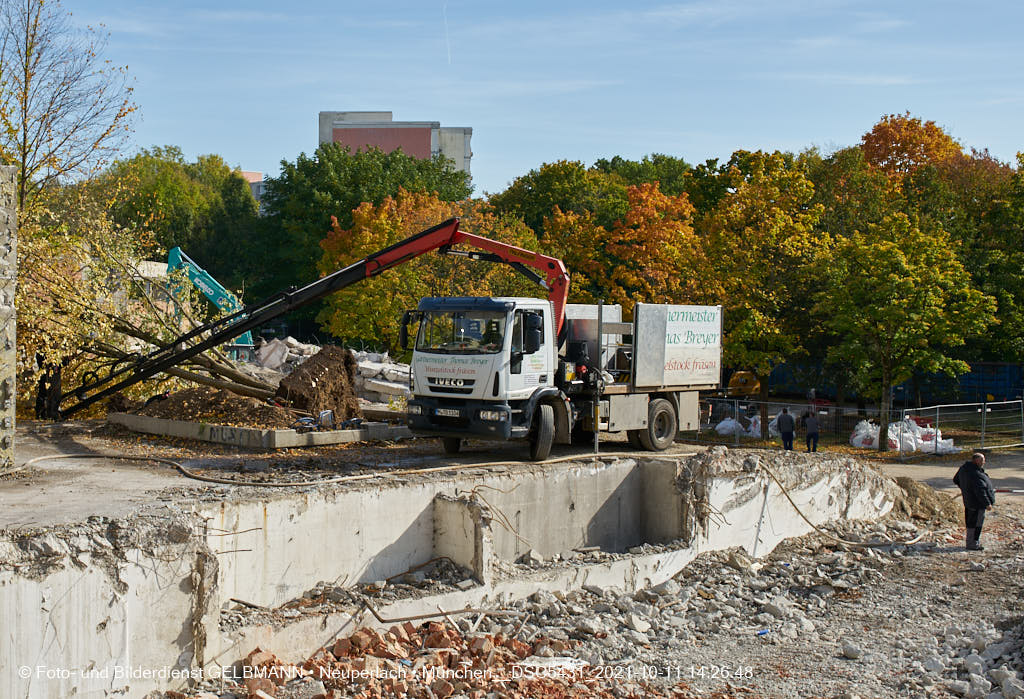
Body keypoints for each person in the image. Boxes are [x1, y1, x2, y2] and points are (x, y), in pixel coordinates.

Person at [953, 452, 996, 551]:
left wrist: (965, 489)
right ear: (976, 460)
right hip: (977, 503)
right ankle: (973, 544)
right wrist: (987, 504)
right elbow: (980, 491)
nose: (984, 462)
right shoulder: (975, 474)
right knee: (976, 523)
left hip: (968, 501)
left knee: (970, 522)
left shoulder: (964, 469)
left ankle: (971, 542)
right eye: (982, 460)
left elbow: (956, 480)